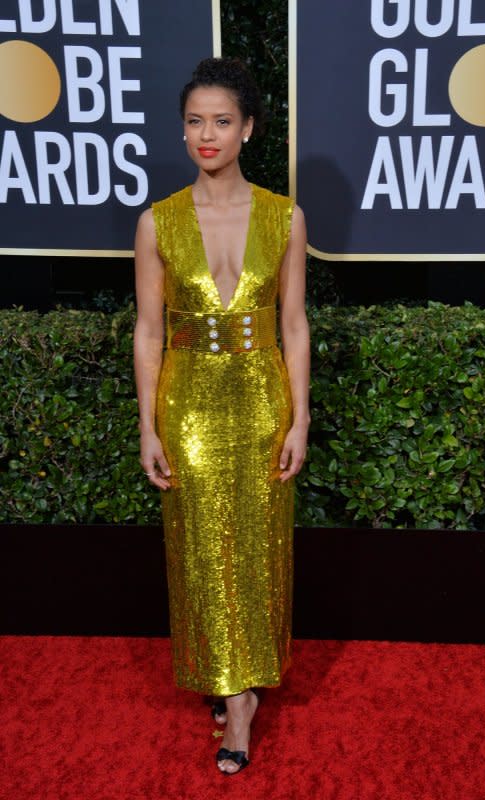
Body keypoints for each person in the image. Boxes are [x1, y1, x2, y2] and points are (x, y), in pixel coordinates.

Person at [133, 57, 310, 775]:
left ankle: (242, 685)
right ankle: (232, 693)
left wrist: (299, 421)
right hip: (191, 404)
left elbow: (293, 325)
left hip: (265, 401)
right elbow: (148, 331)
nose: (207, 135)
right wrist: (148, 425)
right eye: (194, 122)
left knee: (258, 548)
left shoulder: (285, 215)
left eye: (222, 121)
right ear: (184, 132)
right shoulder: (158, 221)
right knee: (204, 551)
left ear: (248, 129)